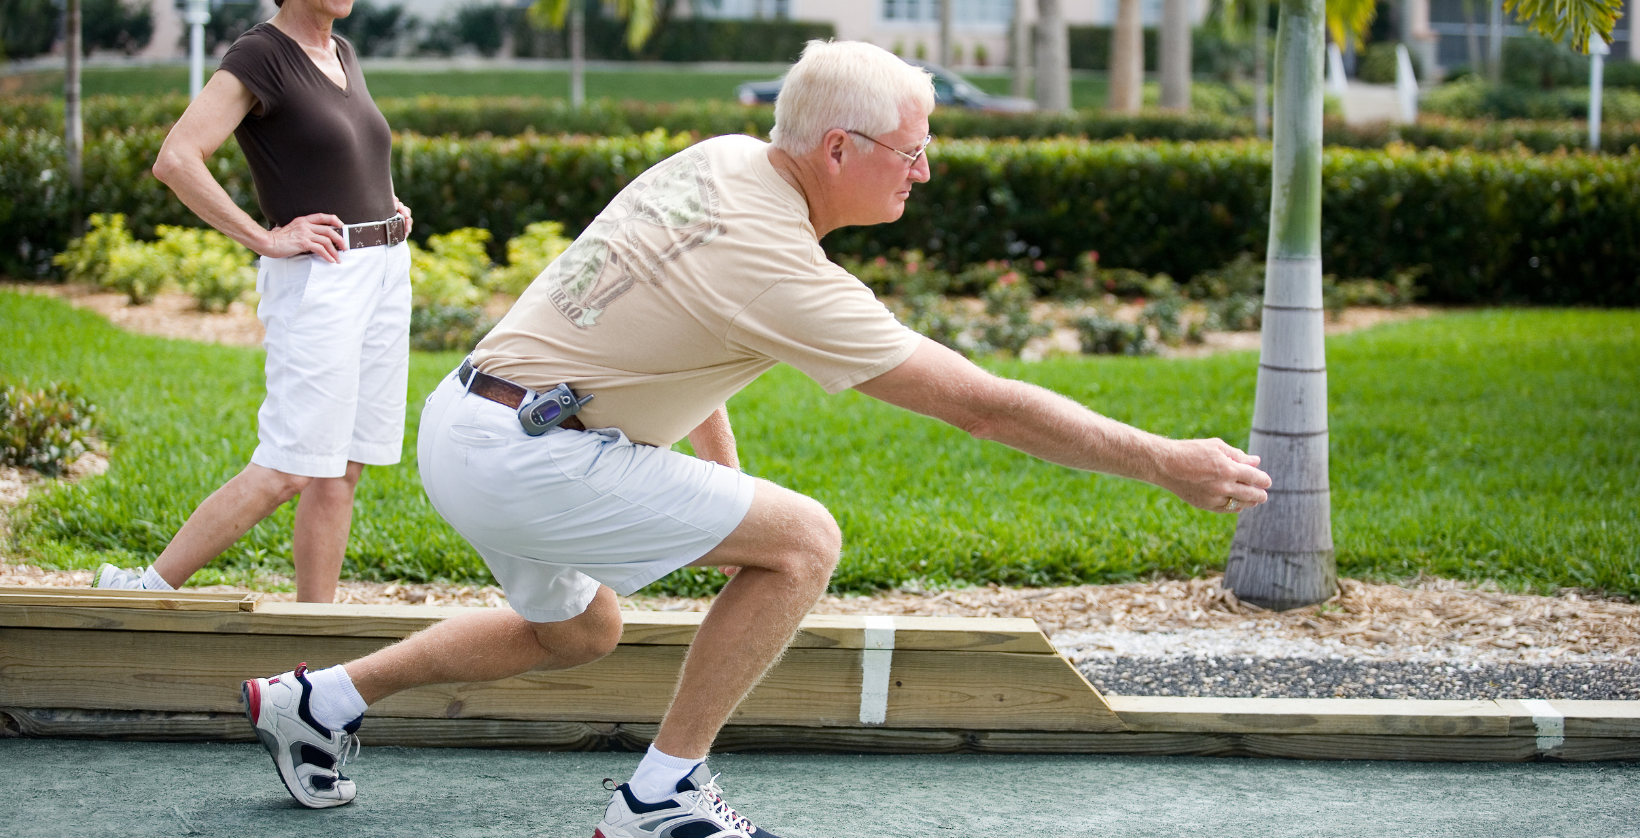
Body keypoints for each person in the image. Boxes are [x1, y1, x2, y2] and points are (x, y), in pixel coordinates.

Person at [239, 41, 1272, 830]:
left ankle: (321, 698)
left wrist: (726, 499)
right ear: (839, 149)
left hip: (468, 423)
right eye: (913, 150)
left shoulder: (723, 163)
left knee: (580, 632)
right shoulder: (780, 266)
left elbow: (685, 334)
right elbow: (981, 404)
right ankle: (659, 799)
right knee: (805, 540)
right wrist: (1161, 461)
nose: (924, 170)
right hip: (526, 454)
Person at [92, 0, 413, 604]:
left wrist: (389, 205)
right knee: (290, 467)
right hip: (322, 280)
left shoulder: (342, 51)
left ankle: (312, 636)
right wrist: (266, 237)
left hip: (383, 271)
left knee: (339, 471)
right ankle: (146, 589)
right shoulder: (260, 55)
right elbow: (176, 159)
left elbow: (347, 152)